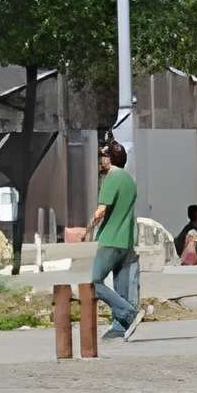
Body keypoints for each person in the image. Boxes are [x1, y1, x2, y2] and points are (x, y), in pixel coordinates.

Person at [87, 139, 140, 341]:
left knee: (94, 282)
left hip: (110, 239)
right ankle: (119, 328)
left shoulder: (112, 177)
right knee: (121, 286)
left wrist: (87, 229)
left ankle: (129, 313)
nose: (101, 160)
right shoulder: (129, 179)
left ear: (110, 158)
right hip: (126, 240)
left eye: (103, 156)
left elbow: (102, 210)